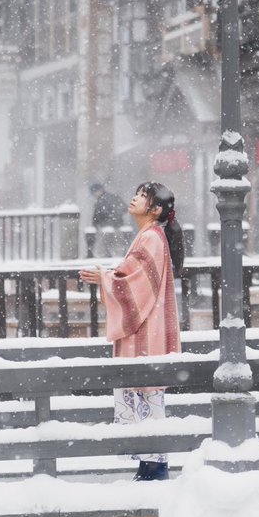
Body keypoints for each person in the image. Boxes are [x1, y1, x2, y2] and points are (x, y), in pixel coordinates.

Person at [79, 181, 184, 481]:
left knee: (144, 395)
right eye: (136, 193)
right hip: (148, 329)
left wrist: (104, 278)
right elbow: (132, 278)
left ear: (156, 209)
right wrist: (107, 277)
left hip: (145, 333)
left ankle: (154, 469)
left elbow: (134, 284)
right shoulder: (150, 235)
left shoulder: (150, 237)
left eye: (142, 196)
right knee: (145, 399)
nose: (134, 198)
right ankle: (149, 466)